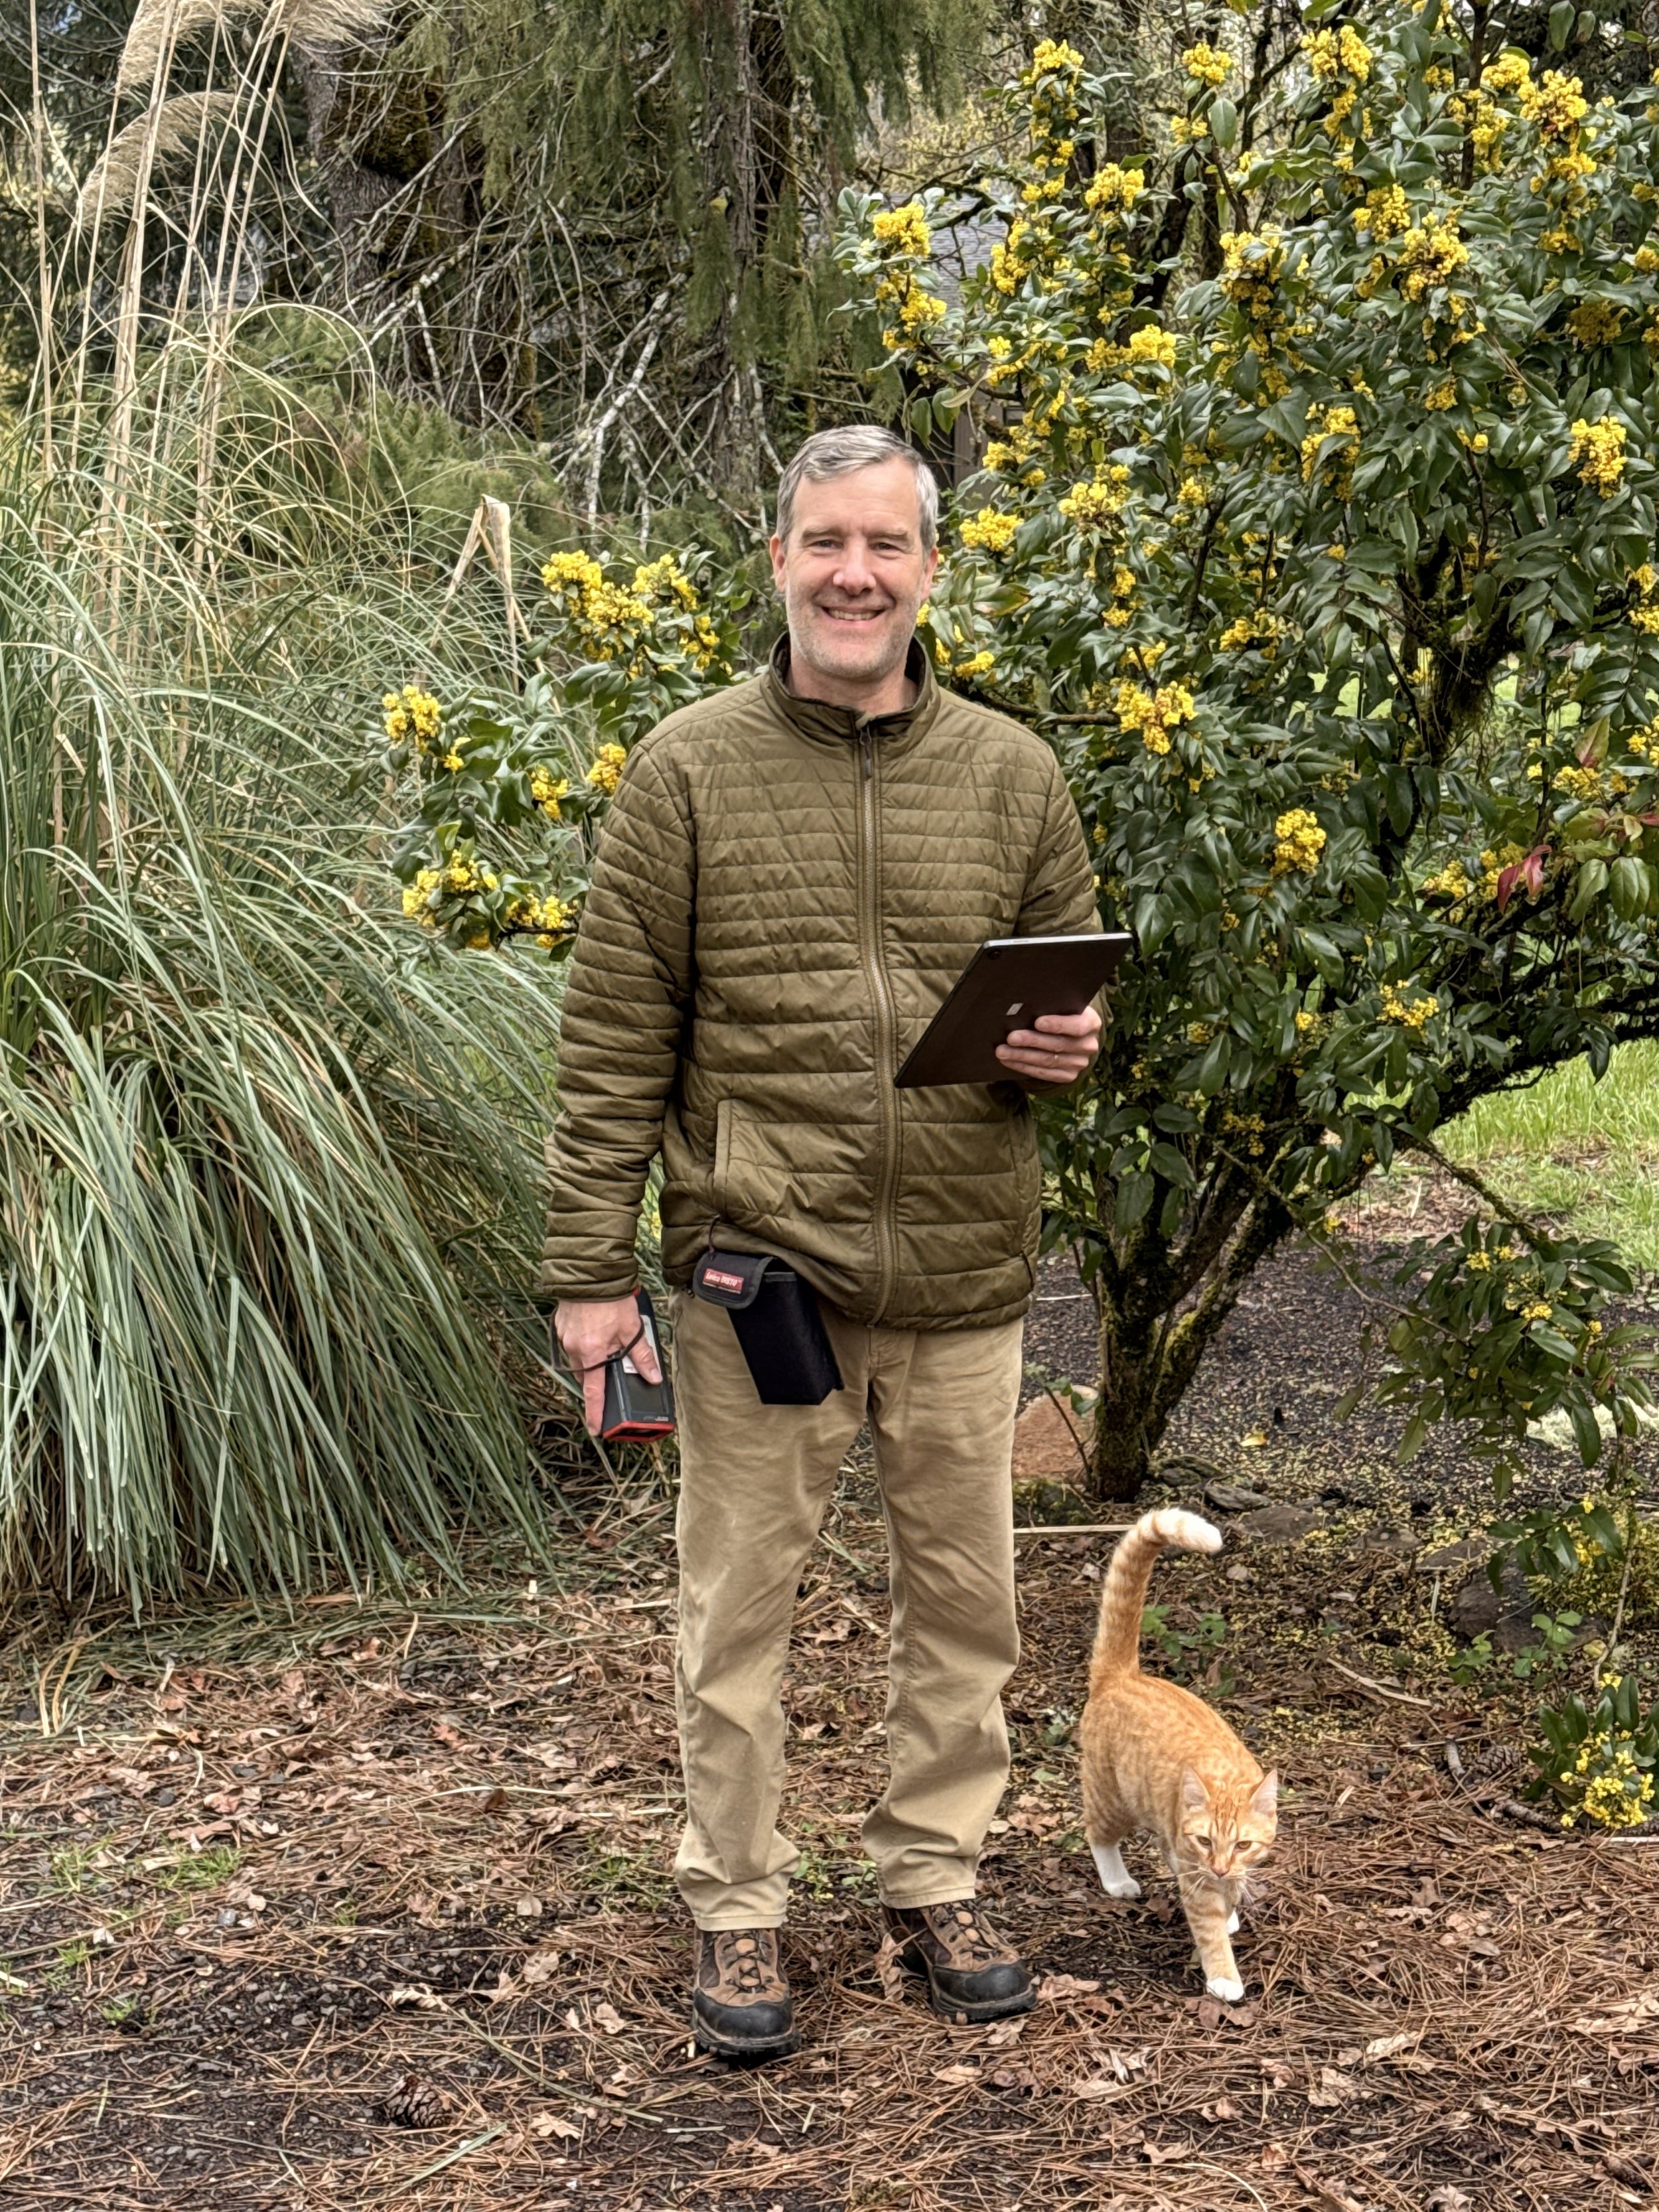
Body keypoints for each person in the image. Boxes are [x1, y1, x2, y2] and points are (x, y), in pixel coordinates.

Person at [543, 423, 1103, 2060]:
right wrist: (590, 1271)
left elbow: (1067, 996)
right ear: (777, 561)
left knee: (967, 1607)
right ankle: (736, 1904)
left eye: (885, 543)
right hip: (758, 1279)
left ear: (929, 568)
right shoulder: (687, 768)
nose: (853, 572)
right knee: (738, 1612)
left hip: (961, 1273)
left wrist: (1068, 1045)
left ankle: (932, 1874)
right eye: (823, 542)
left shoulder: (1012, 773)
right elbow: (610, 1043)